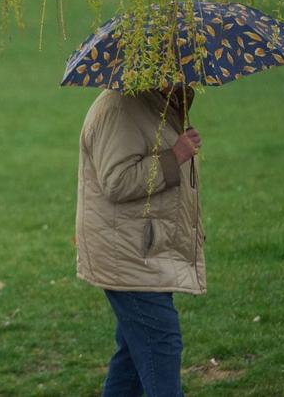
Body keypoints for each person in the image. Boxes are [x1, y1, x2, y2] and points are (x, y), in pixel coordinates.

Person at [75, 84, 203, 397]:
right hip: (130, 254)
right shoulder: (120, 107)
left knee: (133, 357)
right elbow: (117, 182)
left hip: (144, 248)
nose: (185, 69)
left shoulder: (152, 101)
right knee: (161, 344)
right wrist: (175, 156)